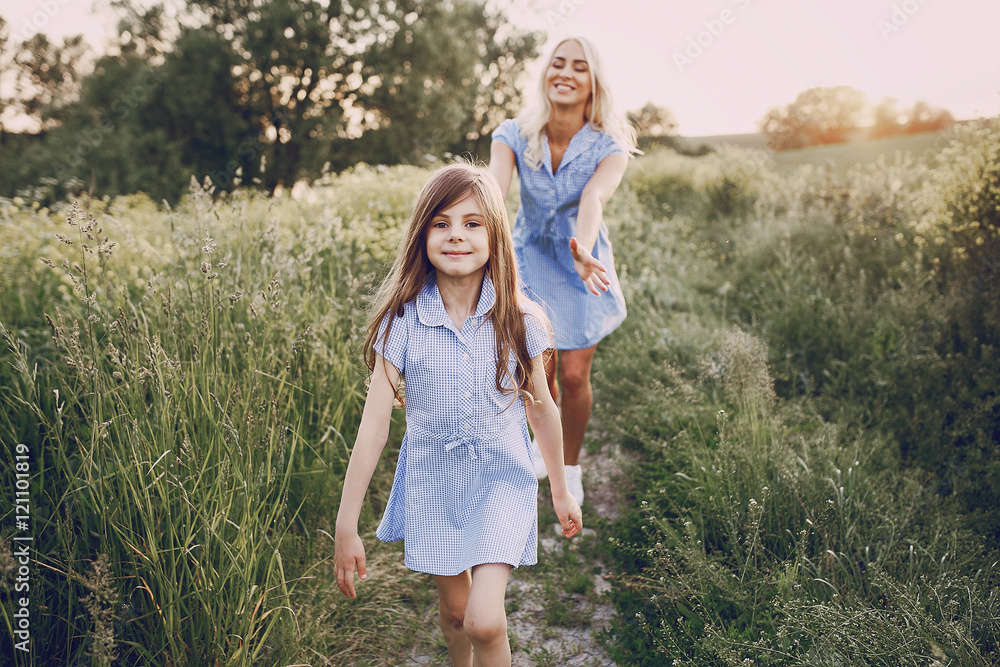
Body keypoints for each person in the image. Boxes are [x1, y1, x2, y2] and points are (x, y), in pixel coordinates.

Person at [334, 163, 583, 667]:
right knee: (454, 616)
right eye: (441, 223)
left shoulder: (519, 319)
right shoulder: (401, 322)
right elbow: (373, 427)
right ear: (422, 234)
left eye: (472, 224)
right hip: (434, 485)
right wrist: (346, 523)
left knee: (484, 620)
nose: (456, 236)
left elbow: (543, 412)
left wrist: (559, 488)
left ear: (495, 235)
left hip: (501, 480)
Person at [489, 36, 637, 506]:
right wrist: (474, 236)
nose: (566, 74)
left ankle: (569, 466)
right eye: (558, 64)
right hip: (529, 258)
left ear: (593, 81)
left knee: (574, 376)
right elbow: (494, 189)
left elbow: (593, 198)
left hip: (582, 262)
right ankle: (544, 451)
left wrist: (583, 247)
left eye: (578, 67)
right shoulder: (513, 133)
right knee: (542, 372)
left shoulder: (609, 145)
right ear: (545, 74)